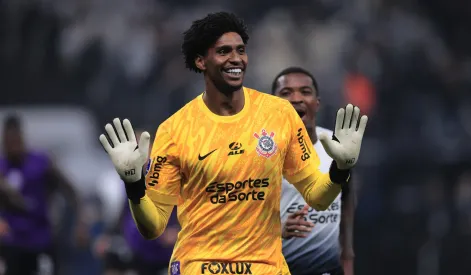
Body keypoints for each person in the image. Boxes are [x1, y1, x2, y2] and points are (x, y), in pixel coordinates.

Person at [99, 12, 368, 275]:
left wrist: (340, 169)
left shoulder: (280, 116)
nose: (236, 58)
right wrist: (134, 183)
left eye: (240, 50)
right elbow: (152, 227)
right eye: (224, 51)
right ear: (201, 61)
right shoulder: (175, 130)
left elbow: (318, 196)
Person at [271, 67, 356, 275]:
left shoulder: (336, 146)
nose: (296, 98)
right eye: (286, 93)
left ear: (317, 103)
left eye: (305, 92)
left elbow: (347, 203)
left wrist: (347, 255)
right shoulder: (260, 153)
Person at [0, 114, 87, 275]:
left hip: (40, 240)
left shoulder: (40, 162)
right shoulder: (2, 167)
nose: (12, 145)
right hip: (11, 243)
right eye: (8, 141)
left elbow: (71, 191)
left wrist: (80, 223)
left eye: (15, 140)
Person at [95, 131, 179, 275]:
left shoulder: (171, 177)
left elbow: (189, 210)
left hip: (165, 252)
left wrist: (178, 230)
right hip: (138, 249)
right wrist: (108, 235)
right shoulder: (132, 178)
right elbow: (125, 211)